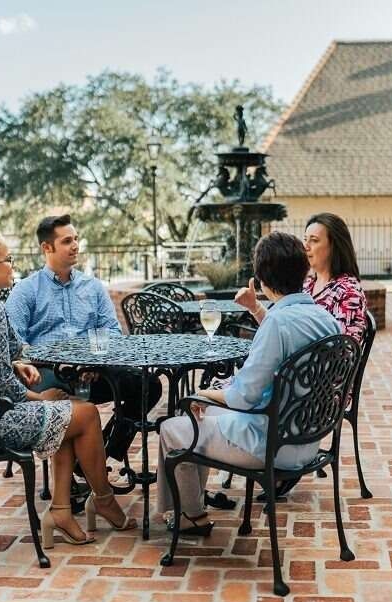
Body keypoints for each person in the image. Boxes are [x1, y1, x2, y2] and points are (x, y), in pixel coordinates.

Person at [0, 230, 136, 549]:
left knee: (67, 418)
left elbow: (7, 353)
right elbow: (2, 385)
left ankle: (61, 511)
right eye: (7, 260)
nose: (12, 266)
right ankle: (104, 499)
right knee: (84, 415)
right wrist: (39, 397)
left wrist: (17, 364)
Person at [156, 232, 340, 535]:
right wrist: (256, 309)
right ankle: (193, 506)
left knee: (174, 427)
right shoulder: (326, 320)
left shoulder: (277, 325)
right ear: (303, 272)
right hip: (307, 442)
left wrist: (203, 394)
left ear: (262, 280)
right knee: (204, 415)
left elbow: (244, 397)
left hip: (269, 447)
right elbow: (286, 338)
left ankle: (188, 514)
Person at [5, 215, 162, 463]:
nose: (75, 245)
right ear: (47, 247)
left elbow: (112, 330)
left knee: (148, 384)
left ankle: (105, 453)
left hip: (94, 372)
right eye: (67, 241)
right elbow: (14, 343)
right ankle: (87, 463)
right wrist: (50, 361)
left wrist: (95, 362)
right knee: (65, 401)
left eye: (76, 239)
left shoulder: (94, 287)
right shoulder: (26, 290)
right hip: (48, 374)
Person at [235, 212, 367, 344]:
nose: (305, 246)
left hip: (317, 364)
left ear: (335, 246)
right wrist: (255, 306)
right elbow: (282, 326)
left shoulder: (349, 292)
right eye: (305, 239)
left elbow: (345, 351)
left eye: (314, 240)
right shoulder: (307, 284)